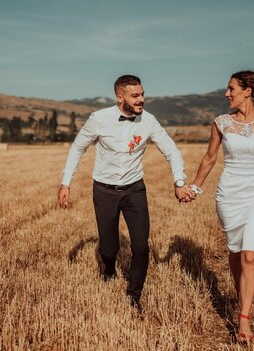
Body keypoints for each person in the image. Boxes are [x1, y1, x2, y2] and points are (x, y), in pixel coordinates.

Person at [57, 75, 194, 313]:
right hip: (104, 190)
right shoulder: (99, 119)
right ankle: (108, 268)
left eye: (142, 94)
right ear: (120, 97)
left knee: (141, 246)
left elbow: (171, 150)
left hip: (134, 190)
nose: (141, 99)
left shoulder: (149, 121)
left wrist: (179, 181)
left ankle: (134, 295)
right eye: (135, 95)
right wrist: (65, 183)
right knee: (109, 249)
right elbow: (78, 148)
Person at [187, 71, 254, 344]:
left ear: (248, 91)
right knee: (235, 251)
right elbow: (210, 158)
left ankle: (243, 318)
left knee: (249, 255)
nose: (226, 94)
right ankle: (242, 294)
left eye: (231, 88)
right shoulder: (221, 123)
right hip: (229, 196)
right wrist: (195, 187)